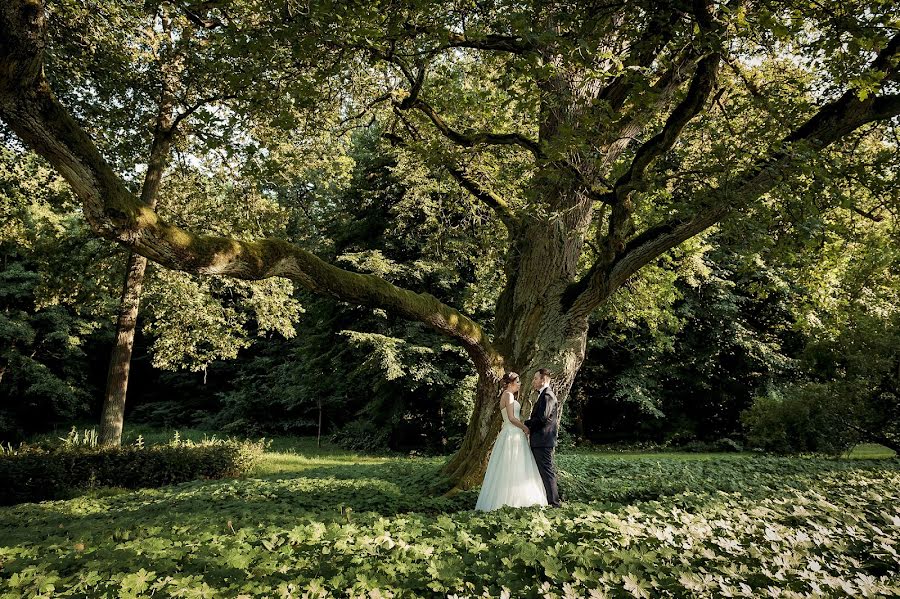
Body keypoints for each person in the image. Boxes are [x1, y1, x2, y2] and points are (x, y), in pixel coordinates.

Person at [474, 371, 549, 511]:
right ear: (511, 383)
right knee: (511, 465)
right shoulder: (508, 395)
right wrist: (525, 428)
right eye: (518, 381)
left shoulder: (509, 395)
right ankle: (508, 502)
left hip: (514, 433)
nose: (520, 384)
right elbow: (511, 418)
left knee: (517, 465)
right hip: (511, 432)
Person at [523, 368, 561, 507]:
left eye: (535, 378)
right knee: (543, 471)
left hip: (543, 440)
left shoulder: (547, 396)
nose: (533, 381)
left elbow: (542, 418)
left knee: (547, 472)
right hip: (540, 440)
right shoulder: (543, 395)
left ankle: (554, 503)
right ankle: (548, 500)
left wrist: (526, 424)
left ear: (543, 380)